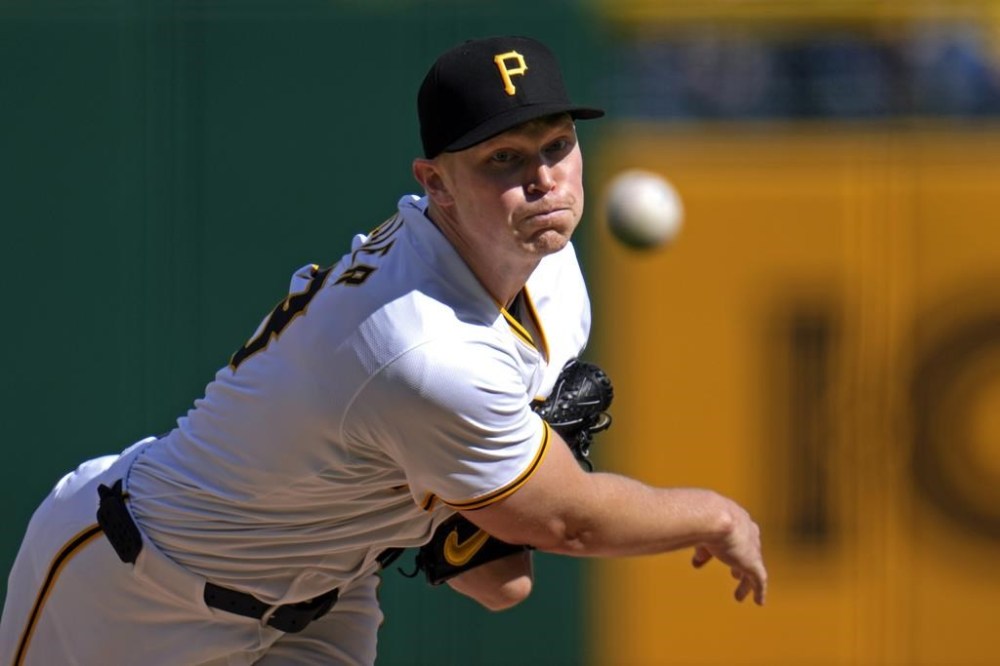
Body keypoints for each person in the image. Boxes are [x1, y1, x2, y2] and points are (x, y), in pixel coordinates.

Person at [0, 35, 766, 666]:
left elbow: (498, 584)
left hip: (326, 608)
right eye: (504, 158)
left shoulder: (551, 275)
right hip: (139, 593)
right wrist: (717, 516)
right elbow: (568, 524)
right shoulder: (424, 344)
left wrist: (474, 516)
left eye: (558, 145)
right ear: (435, 182)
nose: (543, 179)